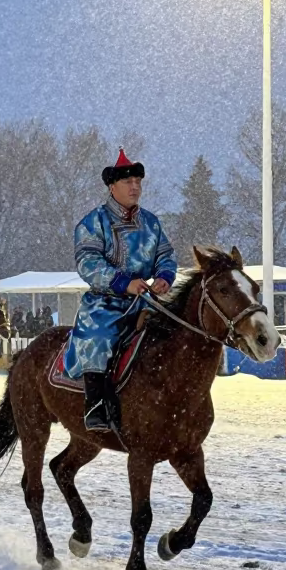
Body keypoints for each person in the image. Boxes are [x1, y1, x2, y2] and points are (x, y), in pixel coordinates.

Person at [64, 148, 177, 436]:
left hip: (145, 301)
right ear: (112, 187)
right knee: (98, 338)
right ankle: (95, 405)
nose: (135, 187)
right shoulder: (93, 222)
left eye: (138, 182)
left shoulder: (152, 222)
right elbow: (87, 262)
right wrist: (123, 283)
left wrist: (164, 277)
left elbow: (165, 255)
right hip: (105, 303)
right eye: (128, 182)